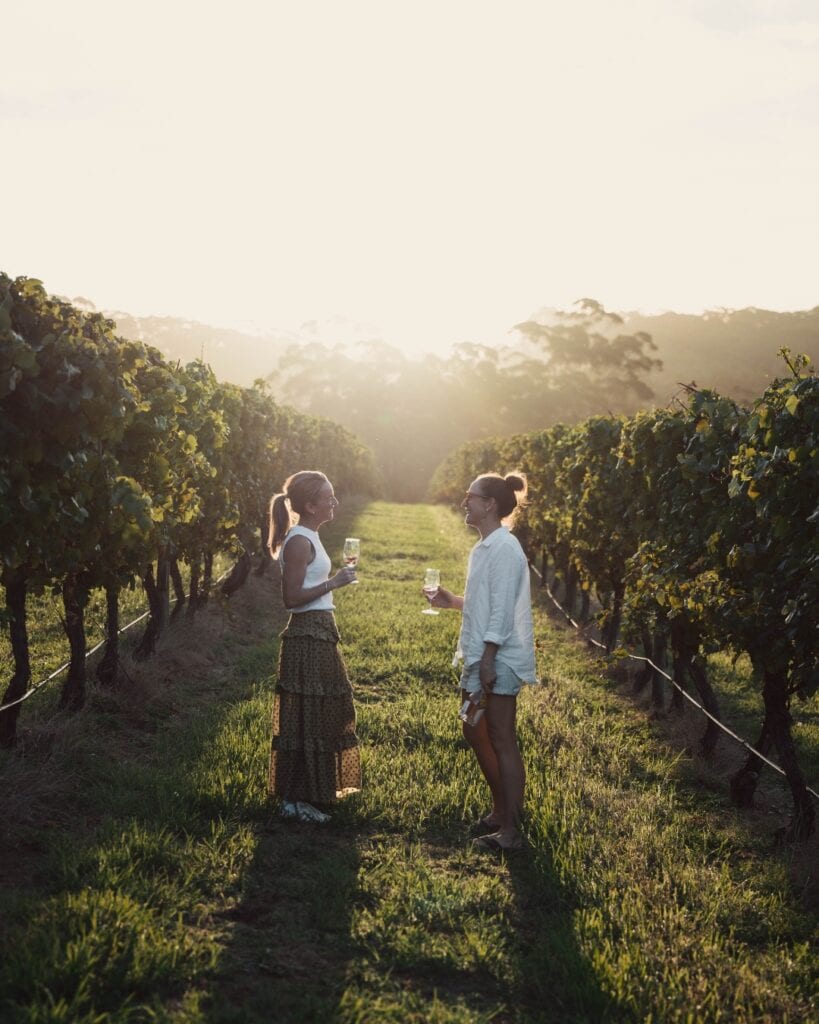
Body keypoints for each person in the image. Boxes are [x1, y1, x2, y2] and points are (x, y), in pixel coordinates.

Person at [428, 473, 537, 851]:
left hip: (499, 658)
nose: (464, 502)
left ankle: (511, 831)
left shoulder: (506, 548)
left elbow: (503, 613)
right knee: (472, 728)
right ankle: (500, 811)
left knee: (502, 738)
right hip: (482, 654)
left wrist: (488, 659)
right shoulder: (486, 547)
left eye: (469, 496)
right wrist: (454, 601)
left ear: (489, 504)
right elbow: (486, 602)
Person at [268, 470, 361, 823]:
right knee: (306, 717)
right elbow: (291, 599)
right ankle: (295, 800)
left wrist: (332, 582)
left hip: (321, 631)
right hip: (307, 634)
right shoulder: (299, 542)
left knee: (323, 713)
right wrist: (334, 582)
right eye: (329, 497)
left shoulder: (309, 536)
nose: (334, 501)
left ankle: (310, 794)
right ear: (309, 505)